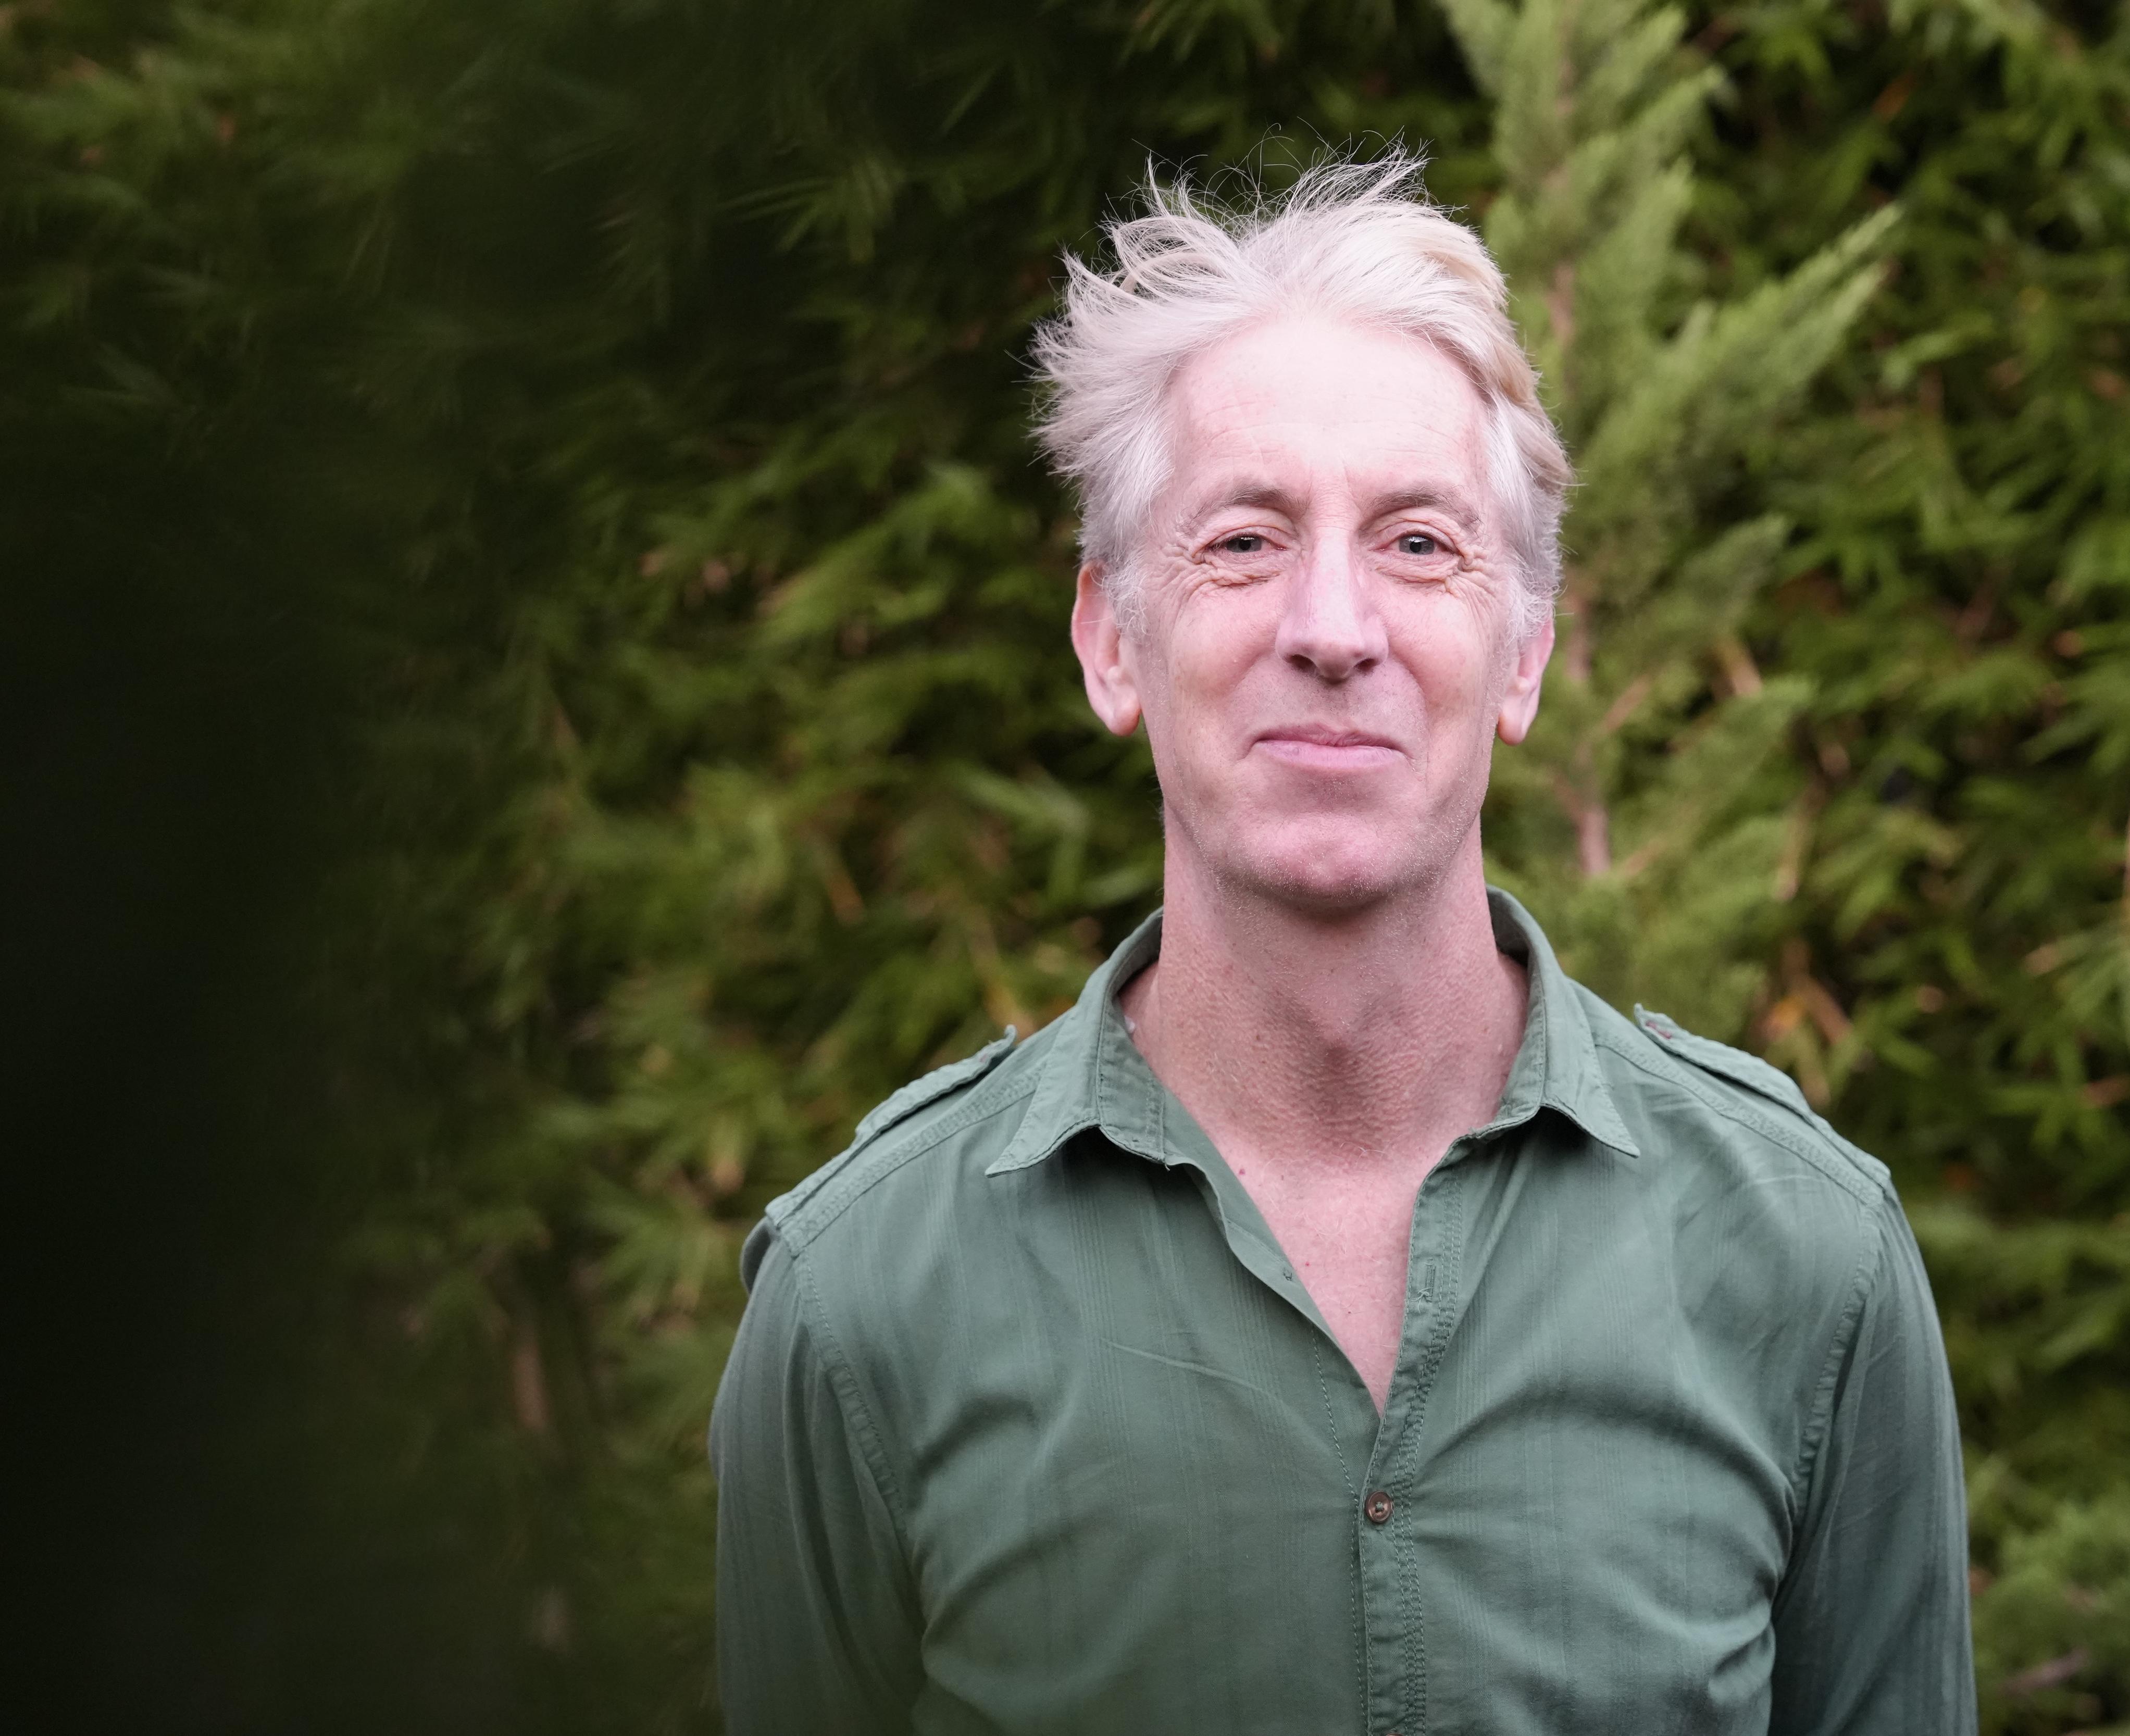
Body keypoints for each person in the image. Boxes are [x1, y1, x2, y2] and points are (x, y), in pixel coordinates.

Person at [711, 155, 1975, 1735]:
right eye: (1244, 540)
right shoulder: (860, 1298)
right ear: (1112, 640)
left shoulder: (1809, 1258)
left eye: (1419, 544)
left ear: (1525, 652)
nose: (1330, 626)